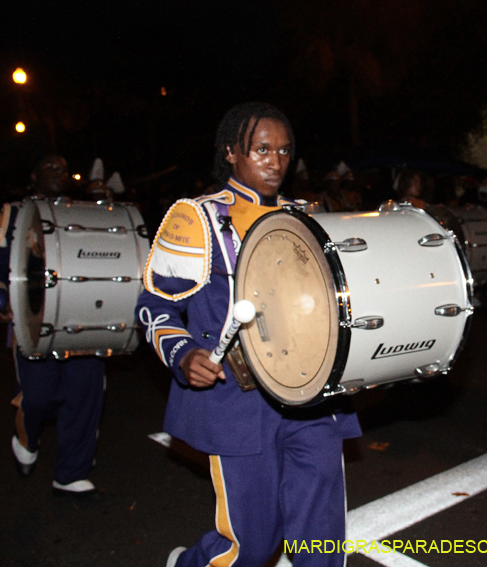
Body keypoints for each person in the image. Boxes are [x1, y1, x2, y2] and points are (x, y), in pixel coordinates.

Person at [136, 102, 361, 567]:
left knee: (321, 542)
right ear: (231, 153)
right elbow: (154, 308)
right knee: (251, 546)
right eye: (261, 149)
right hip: (238, 402)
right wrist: (183, 354)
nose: (275, 161)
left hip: (311, 397)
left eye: (283, 150)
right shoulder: (193, 219)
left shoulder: (307, 218)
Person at [0, 155, 107, 495]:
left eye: (64, 169)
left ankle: (70, 472)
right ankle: (27, 433)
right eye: (50, 168)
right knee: (38, 396)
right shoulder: (13, 212)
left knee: (84, 393)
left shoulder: (82, 210)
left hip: (80, 317)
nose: (58, 173)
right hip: (33, 320)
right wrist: (0, 296)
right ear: (33, 175)